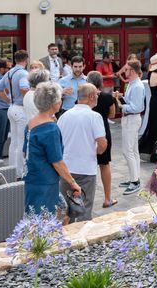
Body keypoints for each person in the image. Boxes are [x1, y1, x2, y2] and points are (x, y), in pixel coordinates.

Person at [23, 82, 81, 215]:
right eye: (60, 98)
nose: (61, 101)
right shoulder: (50, 128)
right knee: (44, 222)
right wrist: (73, 183)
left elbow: (24, 152)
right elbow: (57, 161)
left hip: (32, 178)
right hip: (45, 181)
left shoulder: (31, 123)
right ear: (54, 103)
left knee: (38, 216)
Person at [58, 84, 107, 222]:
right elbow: (102, 143)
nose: (97, 96)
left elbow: (58, 142)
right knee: (83, 210)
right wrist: (95, 151)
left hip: (66, 168)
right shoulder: (94, 116)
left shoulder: (64, 116)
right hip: (86, 169)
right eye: (96, 94)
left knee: (64, 210)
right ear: (91, 96)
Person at [0, 49, 30, 178]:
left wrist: (8, 99)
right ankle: (19, 173)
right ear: (26, 60)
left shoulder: (9, 72)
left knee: (14, 141)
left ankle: (12, 170)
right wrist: (29, 100)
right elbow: (24, 89)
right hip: (20, 108)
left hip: (12, 107)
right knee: (21, 141)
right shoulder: (23, 73)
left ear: (15, 60)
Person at [113, 60, 145, 195]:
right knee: (133, 150)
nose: (124, 72)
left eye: (126, 69)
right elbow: (131, 100)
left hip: (132, 119)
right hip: (129, 119)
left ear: (132, 71)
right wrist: (121, 97)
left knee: (128, 151)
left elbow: (138, 107)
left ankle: (135, 181)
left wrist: (120, 105)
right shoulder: (132, 84)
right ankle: (135, 177)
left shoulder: (137, 86)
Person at [86, 71, 117, 208]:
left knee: (87, 165)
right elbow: (112, 114)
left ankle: (85, 199)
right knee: (104, 164)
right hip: (102, 131)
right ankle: (107, 198)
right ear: (100, 82)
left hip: (87, 132)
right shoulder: (107, 97)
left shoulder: (82, 98)